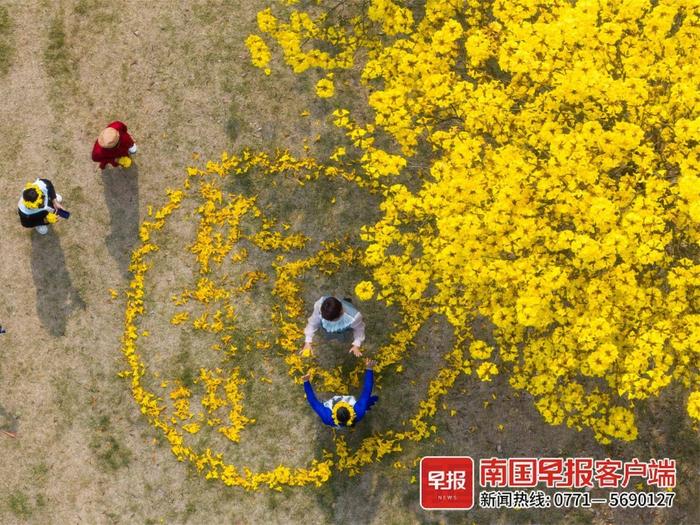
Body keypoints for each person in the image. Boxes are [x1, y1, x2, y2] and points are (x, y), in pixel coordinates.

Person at [303, 359, 378, 428]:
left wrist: (306, 382)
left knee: (365, 402)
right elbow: (367, 390)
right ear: (350, 409)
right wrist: (369, 369)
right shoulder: (359, 411)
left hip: (337, 422)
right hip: (355, 416)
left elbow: (312, 401)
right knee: (365, 402)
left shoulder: (326, 417)